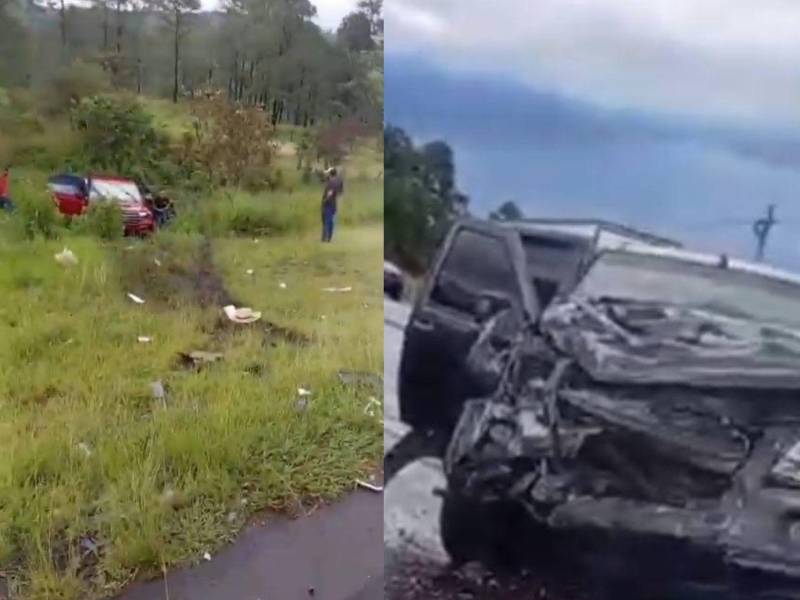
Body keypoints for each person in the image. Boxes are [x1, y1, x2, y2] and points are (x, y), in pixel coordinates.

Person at [321, 167, 343, 242]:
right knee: (330, 220)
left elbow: (330, 193)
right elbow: (340, 192)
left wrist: (325, 200)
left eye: (328, 173)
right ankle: (328, 237)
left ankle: (326, 237)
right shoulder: (339, 181)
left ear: (330, 174)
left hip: (328, 203)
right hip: (334, 203)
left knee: (327, 220)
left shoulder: (331, 182)